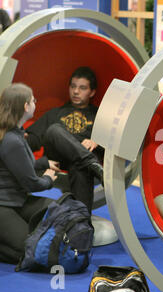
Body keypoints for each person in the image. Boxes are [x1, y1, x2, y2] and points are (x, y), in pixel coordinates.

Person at [25, 66, 104, 213]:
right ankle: (90, 162)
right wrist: (17, 134)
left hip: (79, 163)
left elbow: (113, 144)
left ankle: (81, 222)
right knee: (54, 130)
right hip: (57, 157)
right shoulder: (55, 113)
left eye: (82, 88)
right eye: (73, 86)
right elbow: (33, 140)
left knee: (80, 167)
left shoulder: (99, 116)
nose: (75, 91)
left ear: (92, 92)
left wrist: (97, 142)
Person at [0, 83, 59, 264]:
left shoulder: (13, 133)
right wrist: (48, 179)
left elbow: (20, 165)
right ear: (26, 107)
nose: (35, 103)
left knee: (57, 209)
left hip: (16, 200)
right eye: (33, 100)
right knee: (30, 252)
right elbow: (31, 183)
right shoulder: (12, 140)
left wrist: (43, 163)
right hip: (4, 205)